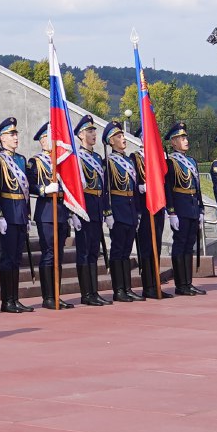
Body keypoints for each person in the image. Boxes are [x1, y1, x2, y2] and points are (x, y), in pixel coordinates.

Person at [162, 122, 205, 299]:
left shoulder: (192, 161)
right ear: (173, 142)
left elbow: (197, 186)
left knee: (189, 246)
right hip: (180, 207)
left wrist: (201, 209)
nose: (186, 140)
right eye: (182, 138)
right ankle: (181, 284)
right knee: (180, 245)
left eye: (186, 137)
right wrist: (171, 212)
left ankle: (188, 282)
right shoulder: (170, 161)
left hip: (193, 206)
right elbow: (169, 187)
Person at [73, 116, 110, 306]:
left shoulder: (97, 157)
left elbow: (103, 186)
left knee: (94, 251)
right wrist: (73, 213)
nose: (93, 134)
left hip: (96, 207)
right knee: (84, 252)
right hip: (84, 208)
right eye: (89, 131)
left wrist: (106, 210)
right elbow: (73, 187)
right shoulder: (76, 156)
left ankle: (94, 291)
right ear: (80, 135)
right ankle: (86, 293)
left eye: (94, 131)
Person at [106, 129, 146, 301]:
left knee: (127, 251)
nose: (123, 139)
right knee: (117, 250)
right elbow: (106, 190)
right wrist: (108, 212)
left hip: (130, 209)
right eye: (118, 137)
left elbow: (134, 188)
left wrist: (137, 210)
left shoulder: (129, 160)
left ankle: (127, 288)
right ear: (110, 141)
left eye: (123, 136)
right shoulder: (107, 162)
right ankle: (118, 290)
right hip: (117, 209)